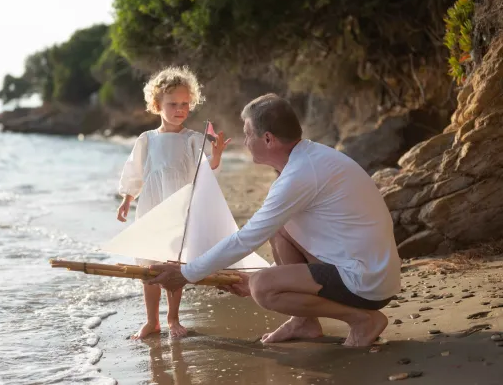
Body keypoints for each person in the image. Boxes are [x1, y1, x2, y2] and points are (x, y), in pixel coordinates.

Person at [147, 93, 401, 347]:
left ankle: (361, 320)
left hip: (366, 282)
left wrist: (186, 273)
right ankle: (304, 321)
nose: (245, 141)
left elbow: (247, 239)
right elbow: (264, 231)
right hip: (364, 267)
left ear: (268, 138)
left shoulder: (299, 175)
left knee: (262, 288)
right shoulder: (307, 159)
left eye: (248, 134)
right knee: (278, 230)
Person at [117, 66, 230, 339]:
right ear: (157, 105)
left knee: (172, 265)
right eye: (173, 104)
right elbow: (135, 171)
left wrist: (215, 156)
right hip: (152, 208)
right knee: (148, 266)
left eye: (185, 104)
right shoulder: (147, 139)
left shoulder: (193, 139)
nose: (180, 109)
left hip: (179, 209)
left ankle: (172, 318)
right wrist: (127, 198)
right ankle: (151, 320)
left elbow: (207, 171)